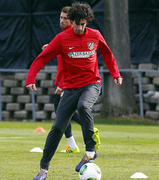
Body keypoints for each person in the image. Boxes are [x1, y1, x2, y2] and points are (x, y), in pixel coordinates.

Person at [26, 2, 123, 179]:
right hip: (70, 88)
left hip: (92, 84)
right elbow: (42, 58)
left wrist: (115, 73)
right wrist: (30, 78)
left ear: (87, 22)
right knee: (57, 128)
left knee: (84, 106)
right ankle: (43, 169)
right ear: (72, 21)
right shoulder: (62, 38)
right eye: (77, 23)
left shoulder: (95, 35)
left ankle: (90, 150)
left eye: (83, 24)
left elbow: (108, 54)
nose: (80, 27)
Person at [42, 6, 100, 154]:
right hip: (64, 81)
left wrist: (61, 84)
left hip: (70, 83)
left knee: (67, 110)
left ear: (73, 20)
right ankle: (74, 144)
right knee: (62, 110)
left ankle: (87, 132)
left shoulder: (78, 35)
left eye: (65, 18)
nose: (62, 21)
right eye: (60, 18)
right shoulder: (63, 36)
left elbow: (70, 64)